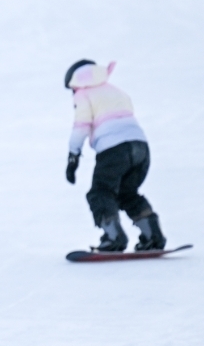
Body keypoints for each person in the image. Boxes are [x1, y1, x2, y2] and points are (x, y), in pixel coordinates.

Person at [64, 59, 167, 251]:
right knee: (127, 193)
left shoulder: (83, 93)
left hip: (114, 149)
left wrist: (73, 155)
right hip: (141, 146)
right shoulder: (115, 90)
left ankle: (114, 237)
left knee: (100, 192)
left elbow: (81, 125)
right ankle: (153, 235)